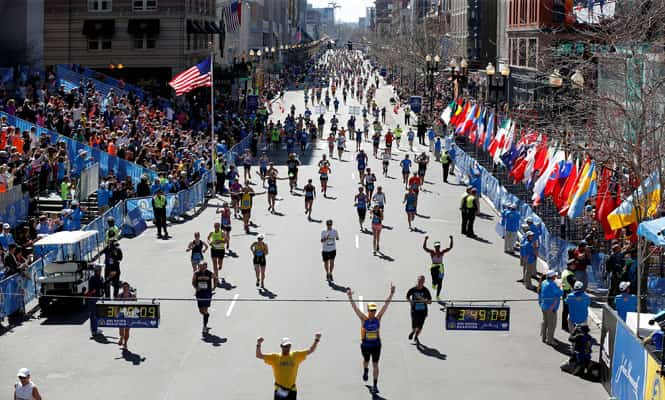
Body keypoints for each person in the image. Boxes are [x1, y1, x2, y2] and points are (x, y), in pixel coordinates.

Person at [346, 284, 395, 394]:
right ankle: (365, 370)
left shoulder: (378, 318)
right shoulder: (364, 319)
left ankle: (375, 385)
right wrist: (350, 297)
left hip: (376, 345)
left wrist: (391, 293)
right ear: (368, 310)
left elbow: (385, 305)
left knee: (376, 364)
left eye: (374, 310)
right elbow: (355, 308)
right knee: (366, 361)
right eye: (371, 310)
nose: (373, 312)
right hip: (365, 345)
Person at [256, 333, 322, 400]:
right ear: (281, 346)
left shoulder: (295, 355)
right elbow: (258, 355)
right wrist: (259, 344)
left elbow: (311, 350)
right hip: (280, 390)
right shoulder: (275, 357)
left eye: (288, 346)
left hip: (292, 390)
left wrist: (317, 339)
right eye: (285, 346)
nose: (287, 348)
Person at [422, 235, 454, 300]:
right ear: (434, 247)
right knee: (435, 279)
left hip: (441, 267)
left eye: (438, 246)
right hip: (434, 266)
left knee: (440, 283)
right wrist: (425, 239)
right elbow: (424, 248)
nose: (437, 247)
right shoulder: (432, 252)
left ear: (439, 247)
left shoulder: (442, 252)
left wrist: (451, 239)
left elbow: (450, 247)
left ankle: (437, 296)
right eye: (436, 246)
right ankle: (434, 283)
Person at [539, 270, 563, 346]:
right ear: (553, 277)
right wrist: (560, 286)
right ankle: (550, 340)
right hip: (551, 307)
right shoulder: (552, 284)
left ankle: (543, 337)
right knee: (551, 324)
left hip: (544, 305)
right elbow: (560, 293)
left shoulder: (544, 282)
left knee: (545, 321)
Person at [406, 275, 432, 344]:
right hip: (414, 310)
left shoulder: (426, 290)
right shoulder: (413, 289)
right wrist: (410, 301)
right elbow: (407, 296)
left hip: (423, 311)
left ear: (424, 282)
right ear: (417, 281)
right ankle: (413, 331)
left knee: (420, 326)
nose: (420, 282)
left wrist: (425, 301)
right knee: (414, 324)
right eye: (419, 281)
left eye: (422, 281)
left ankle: (416, 336)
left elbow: (430, 302)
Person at [192, 262, 214, 335]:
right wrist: (196, 287)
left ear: (206, 267)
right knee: (201, 311)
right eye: (200, 267)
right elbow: (193, 282)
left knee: (204, 309)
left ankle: (204, 326)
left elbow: (215, 278)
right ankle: (206, 315)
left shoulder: (209, 273)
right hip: (199, 294)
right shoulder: (196, 273)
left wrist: (214, 287)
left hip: (207, 294)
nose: (201, 268)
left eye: (203, 267)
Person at [84, 264, 105, 337]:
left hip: (97, 298)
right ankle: (94, 330)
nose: (100, 271)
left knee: (96, 314)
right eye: (99, 270)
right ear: (96, 270)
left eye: (100, 270)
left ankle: (95, 329)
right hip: (93, 298)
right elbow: (96, 288)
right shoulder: (93, 278)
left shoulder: (100, 277)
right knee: (93, 315)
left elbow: (102, 286)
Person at [117, 281, 136, 350]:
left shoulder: (132, 296)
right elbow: (115, 306)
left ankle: (125, 344)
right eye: (124, 287)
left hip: (129, 314)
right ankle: (121, 337)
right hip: (121, 314)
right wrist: (116, 314)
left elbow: (136, 306)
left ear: (128, 287)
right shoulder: (120, 295)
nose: (125, 289)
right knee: (121, 331)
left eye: (126, 287)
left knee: (127, 330)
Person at [560, 259, 577, 332]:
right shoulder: (570, 275)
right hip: (569, 293)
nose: (575, 266)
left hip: (565, 292)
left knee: (565, 310)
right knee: (571, 310)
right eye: (574, 265)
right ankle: (570, 326)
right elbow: (575, 286)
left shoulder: (565, 271)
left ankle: (564, 325)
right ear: (570, 265)